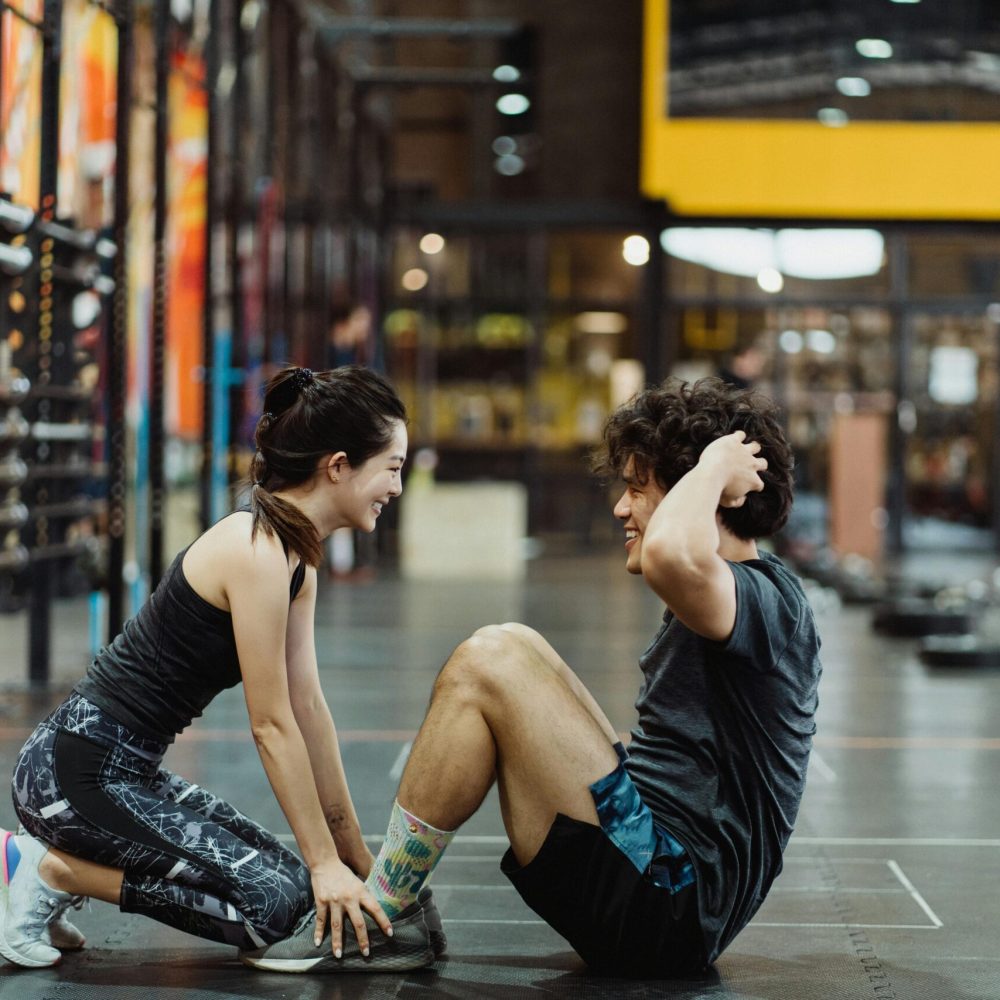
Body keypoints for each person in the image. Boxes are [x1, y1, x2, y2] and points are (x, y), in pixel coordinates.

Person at [242, 376, 822, 977]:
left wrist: (712, 464)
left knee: (492, 660)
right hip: (655, 869)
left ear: (709, 496)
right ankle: (394, 909)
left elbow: (670, 555)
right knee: (520, 649)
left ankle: (385, 913)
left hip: (669, 900)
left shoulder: (766, 601)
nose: (621, 507)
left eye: (637, 488)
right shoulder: (743, 599)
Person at [2, 365, 436, 972]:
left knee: (301, 895)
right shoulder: (255, 550)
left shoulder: (294, 561)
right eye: (392, 467)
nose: (396, 486)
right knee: (276, 908)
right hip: (71, 776)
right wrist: (321, 862)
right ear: (338, 465)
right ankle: (47, 870)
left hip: (126, 774)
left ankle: (53, 867)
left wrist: (349, 853)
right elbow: (272, 724)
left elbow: (309, 711)